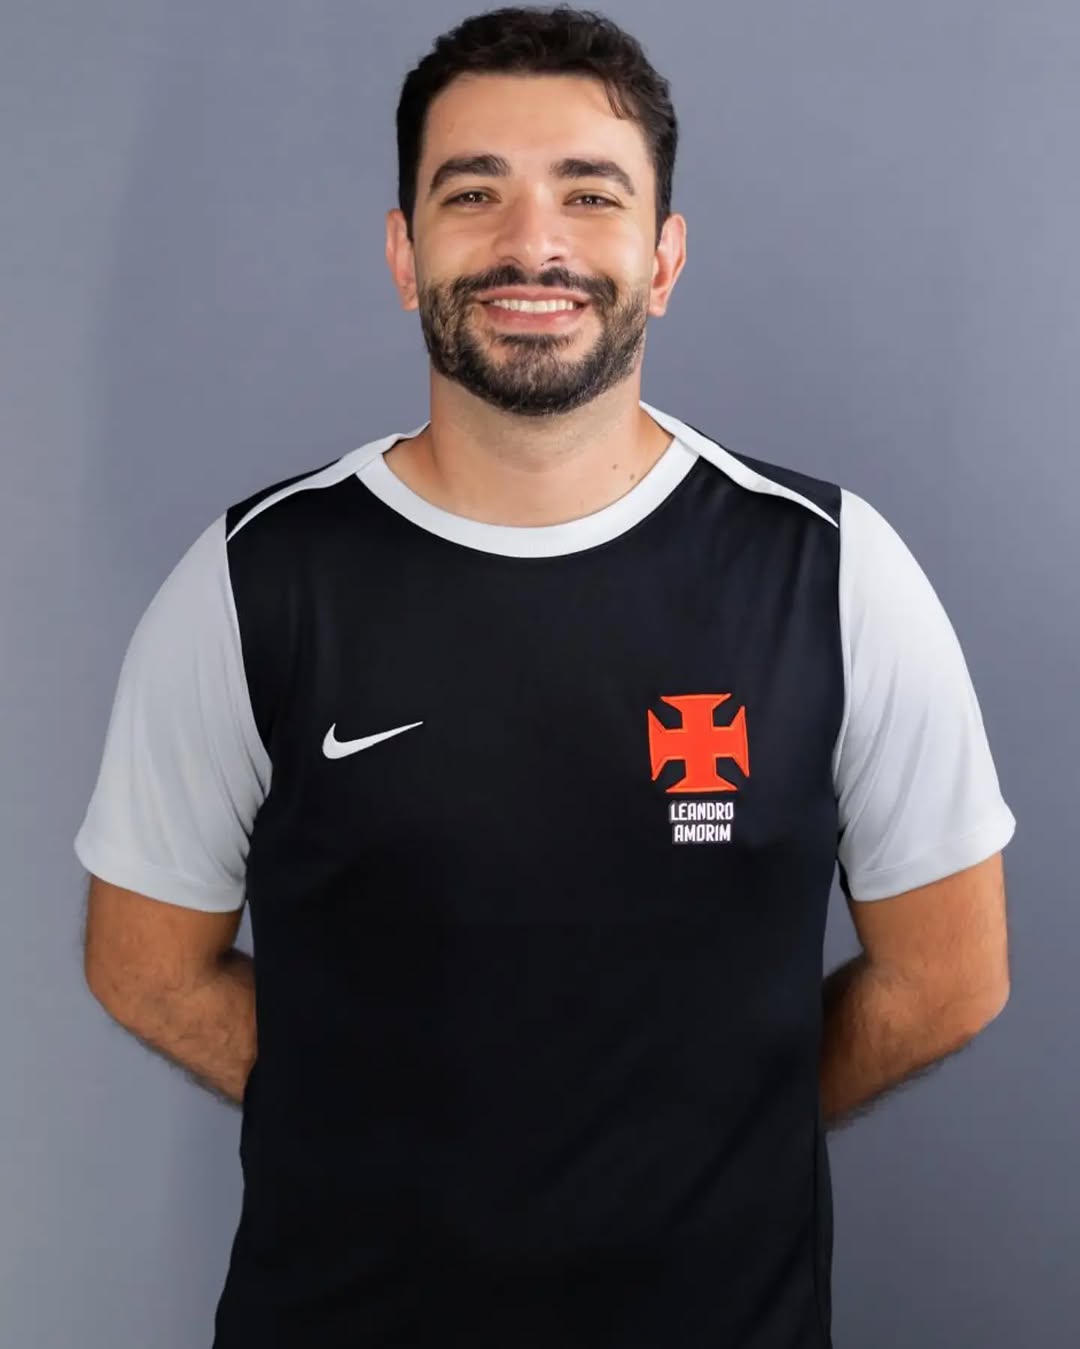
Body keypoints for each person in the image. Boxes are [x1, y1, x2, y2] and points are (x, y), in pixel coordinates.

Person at [75, 6, 1016, 1346]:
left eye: (591, 193)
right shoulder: (252, 582)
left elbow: (947, 979)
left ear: (663, 257)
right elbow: (145, 966)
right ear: (403, 253)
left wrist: (714, 1136)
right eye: (474, 194)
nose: (535, 243)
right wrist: (372, 1130)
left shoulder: (832, 571)